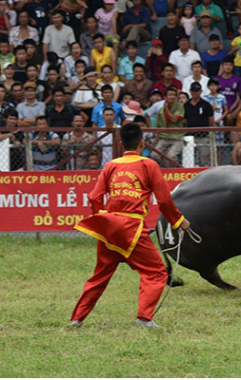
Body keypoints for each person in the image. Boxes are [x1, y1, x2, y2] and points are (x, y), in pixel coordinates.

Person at [71, 123, 191, 329]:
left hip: (109, 227)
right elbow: (163, 200)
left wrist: (101, 219)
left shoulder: (111, 166)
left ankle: (77, 319)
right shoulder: (149, 165)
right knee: (157, 272)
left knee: (100, 274)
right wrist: (179, 221)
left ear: (120, 143)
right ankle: (144, 318)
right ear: (142, 143)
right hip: (131, 227)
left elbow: (94, 197)